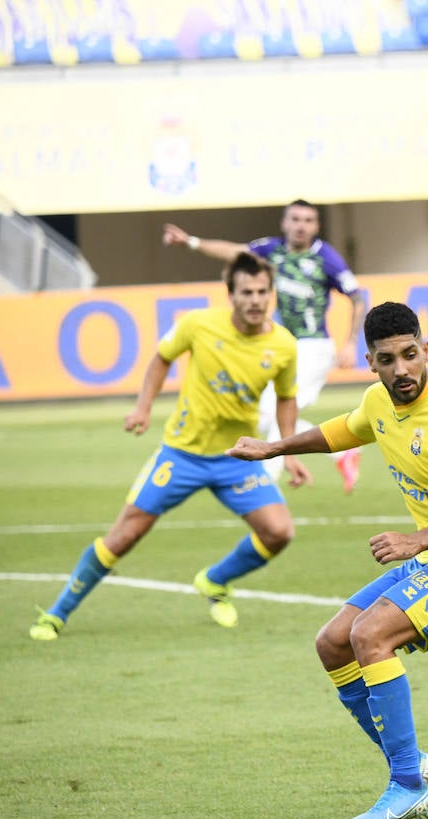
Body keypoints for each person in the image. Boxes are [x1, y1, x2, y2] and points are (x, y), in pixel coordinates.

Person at [226, 301, 428, 819]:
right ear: (371, 363)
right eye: (389, 360)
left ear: (426, 350)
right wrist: (275, 447)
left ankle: (407, 786)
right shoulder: (378, 401)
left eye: (411, 355)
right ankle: (410, 765)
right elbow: (345, 429)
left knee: (370, 636)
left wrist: (418, 539)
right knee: (333, 642)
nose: (402, 369)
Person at [29, 253, 309, 640]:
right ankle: (56, 614)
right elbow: (161, 358)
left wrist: (286, 450)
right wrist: (143, 407)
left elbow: (286, 398)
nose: (256, 300)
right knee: (124, 535)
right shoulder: (197, 324)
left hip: (237, 458)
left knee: (279, 532)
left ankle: (214, 581)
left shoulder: (283, 345)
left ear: (272, 294)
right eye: (247, 292)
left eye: (263, 291)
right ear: (231, 294)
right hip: (182, 455)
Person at [162, 199, 368, 493]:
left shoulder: (327, 258)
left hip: (314, 347)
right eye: (295, 219)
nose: (301, 225)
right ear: (284, 223)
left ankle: (262, 486)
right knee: (266, 413)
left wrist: (350, 343)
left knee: (273, 409)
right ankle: (342, 451)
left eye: (308, 220)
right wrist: (192, 242)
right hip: (283, 344)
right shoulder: (272, 251)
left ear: (317, 226)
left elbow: (358, 297)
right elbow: (234, 252)